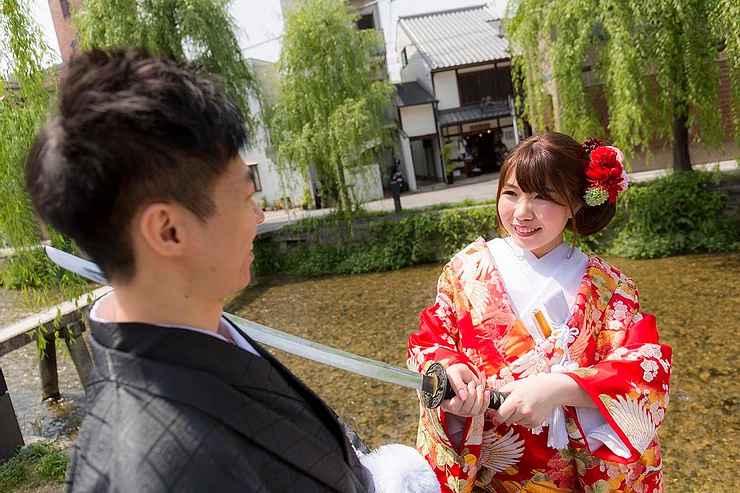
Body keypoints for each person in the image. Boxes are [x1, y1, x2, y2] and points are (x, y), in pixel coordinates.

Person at [25, 48, 438, 493]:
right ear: (168, 231)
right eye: (245, 197)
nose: (259, 217)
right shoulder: (156, 472)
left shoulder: (201, 329)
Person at [407, 133, 672, 492]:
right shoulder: (467, 269)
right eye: (511, 193)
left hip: (569, 477)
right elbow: (432, 337)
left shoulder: (609, 288)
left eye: (542, 197)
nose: (521, 213)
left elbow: (641, 374)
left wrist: (556, 388)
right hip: (487, 471)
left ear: (576, 203)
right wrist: (452, 372)